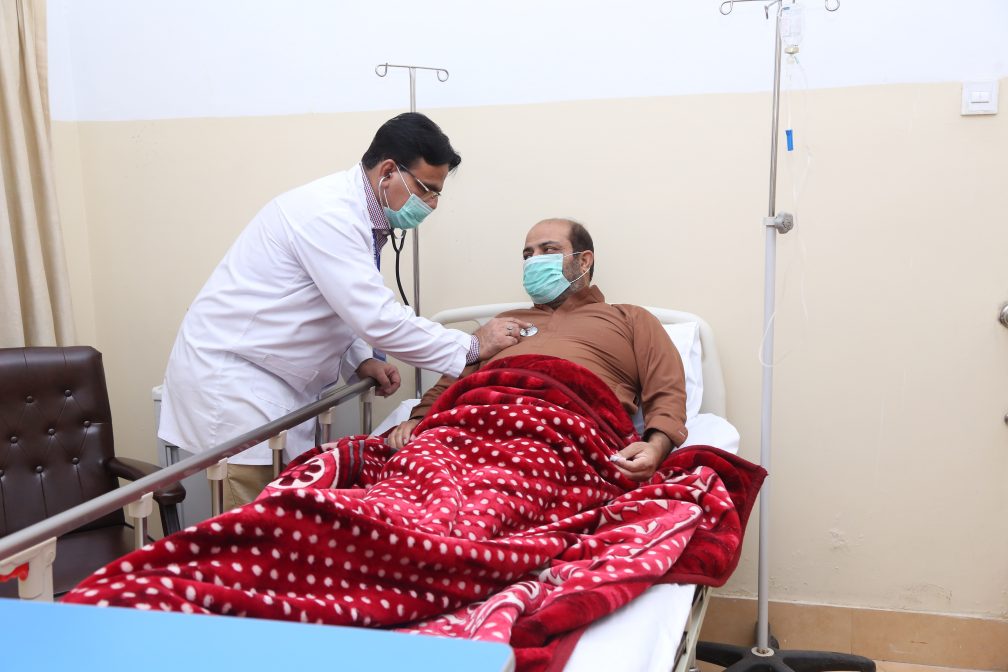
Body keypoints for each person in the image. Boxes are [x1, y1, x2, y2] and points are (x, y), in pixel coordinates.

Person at [159, 113, 530, 509]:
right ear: (389, 171)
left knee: (279, 527)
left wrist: (360, 362)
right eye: (426, 189)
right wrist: (472, 346)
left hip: (273, 385)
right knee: (253, 536)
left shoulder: (361, 217)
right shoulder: (327, 213)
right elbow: (375, 316)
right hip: (236, 387)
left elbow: (334, 303)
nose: (432, 205)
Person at [388, 218, 688, 481]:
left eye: (549, 250)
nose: (534, 260)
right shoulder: (502, 325)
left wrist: (656, 447)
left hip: (569, 431)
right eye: (527, 254)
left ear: (584, 261)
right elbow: (453, 379)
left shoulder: (631, 319)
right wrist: (419, 419)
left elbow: (666, 390)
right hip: (479, 423)